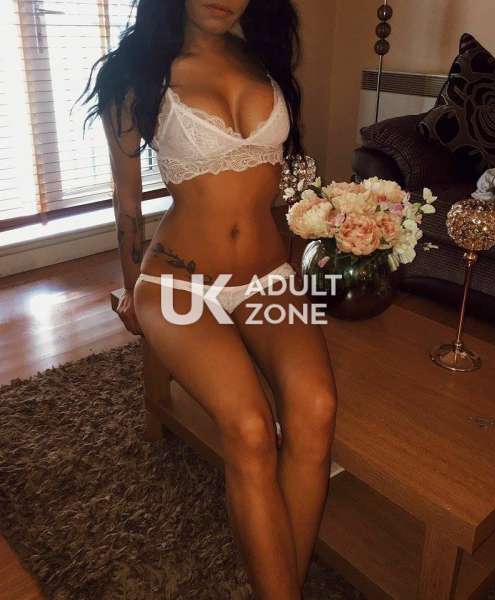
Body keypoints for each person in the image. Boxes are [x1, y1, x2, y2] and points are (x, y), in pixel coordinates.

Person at [79, 1, 338, 597]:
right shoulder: (135, 74)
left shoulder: (263, 59)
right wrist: (131, 291)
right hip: (179, 284)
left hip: (268, 278)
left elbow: (279, 184)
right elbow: (126, 200)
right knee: (250, 428)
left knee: (317, 409)